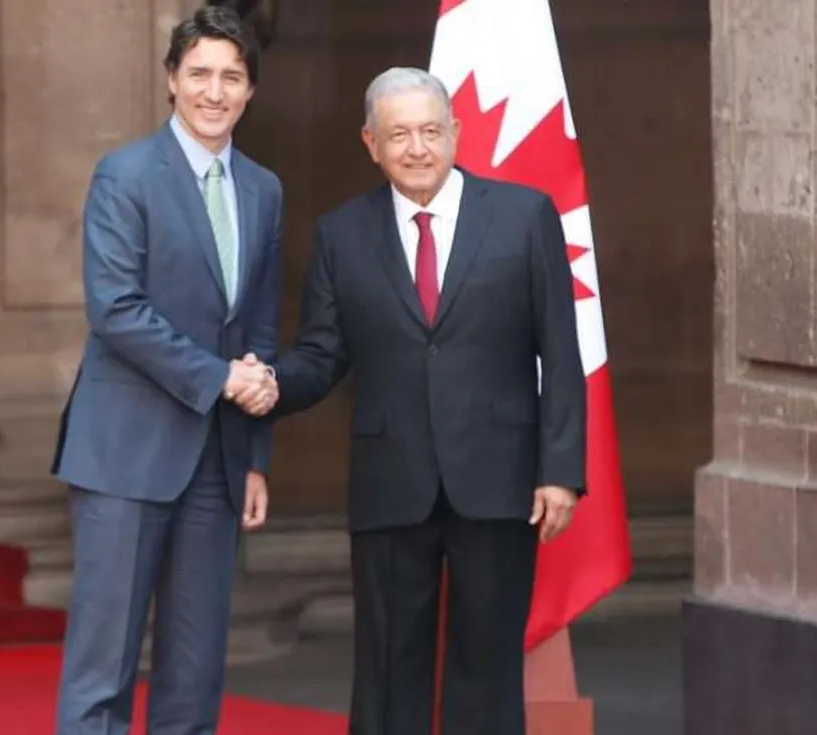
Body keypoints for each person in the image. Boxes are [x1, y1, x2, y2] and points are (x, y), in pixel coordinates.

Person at [241, 67, 586, 735]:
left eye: (431, 130)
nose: (417, 147)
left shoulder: (524, 216)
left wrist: (560, 468)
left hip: (499, 477)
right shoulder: (343, 234)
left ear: (456, 133)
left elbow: (562, 354)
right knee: (386, 669)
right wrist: (271, 384)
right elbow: (321, 354)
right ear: (371, 143)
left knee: (486, 670)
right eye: (399, 134)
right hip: (390, 481)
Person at [48, 6, 283, 734]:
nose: (215, 91)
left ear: (250, 91)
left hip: (216, 460)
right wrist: (219, 377)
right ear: (171, 81)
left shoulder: (263, 189)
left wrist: (254, 454)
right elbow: (115, 309)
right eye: (200, 74)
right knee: (103, 672)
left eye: (231, 77)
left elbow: (260, 327)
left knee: (195, 671)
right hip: (124, 452)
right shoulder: (124, 175)